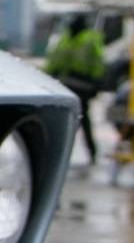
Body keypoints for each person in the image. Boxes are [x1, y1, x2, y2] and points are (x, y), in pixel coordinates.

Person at [44, 13, 106, 164]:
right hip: (66, 85)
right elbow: (54, 60)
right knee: (69, 121)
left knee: (80, 120)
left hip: (83, 86)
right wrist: (47, 79)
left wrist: (97, 83)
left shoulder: (90, 39)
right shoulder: (64, 38)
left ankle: (89, 153)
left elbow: (98, 62)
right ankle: (58, 154)